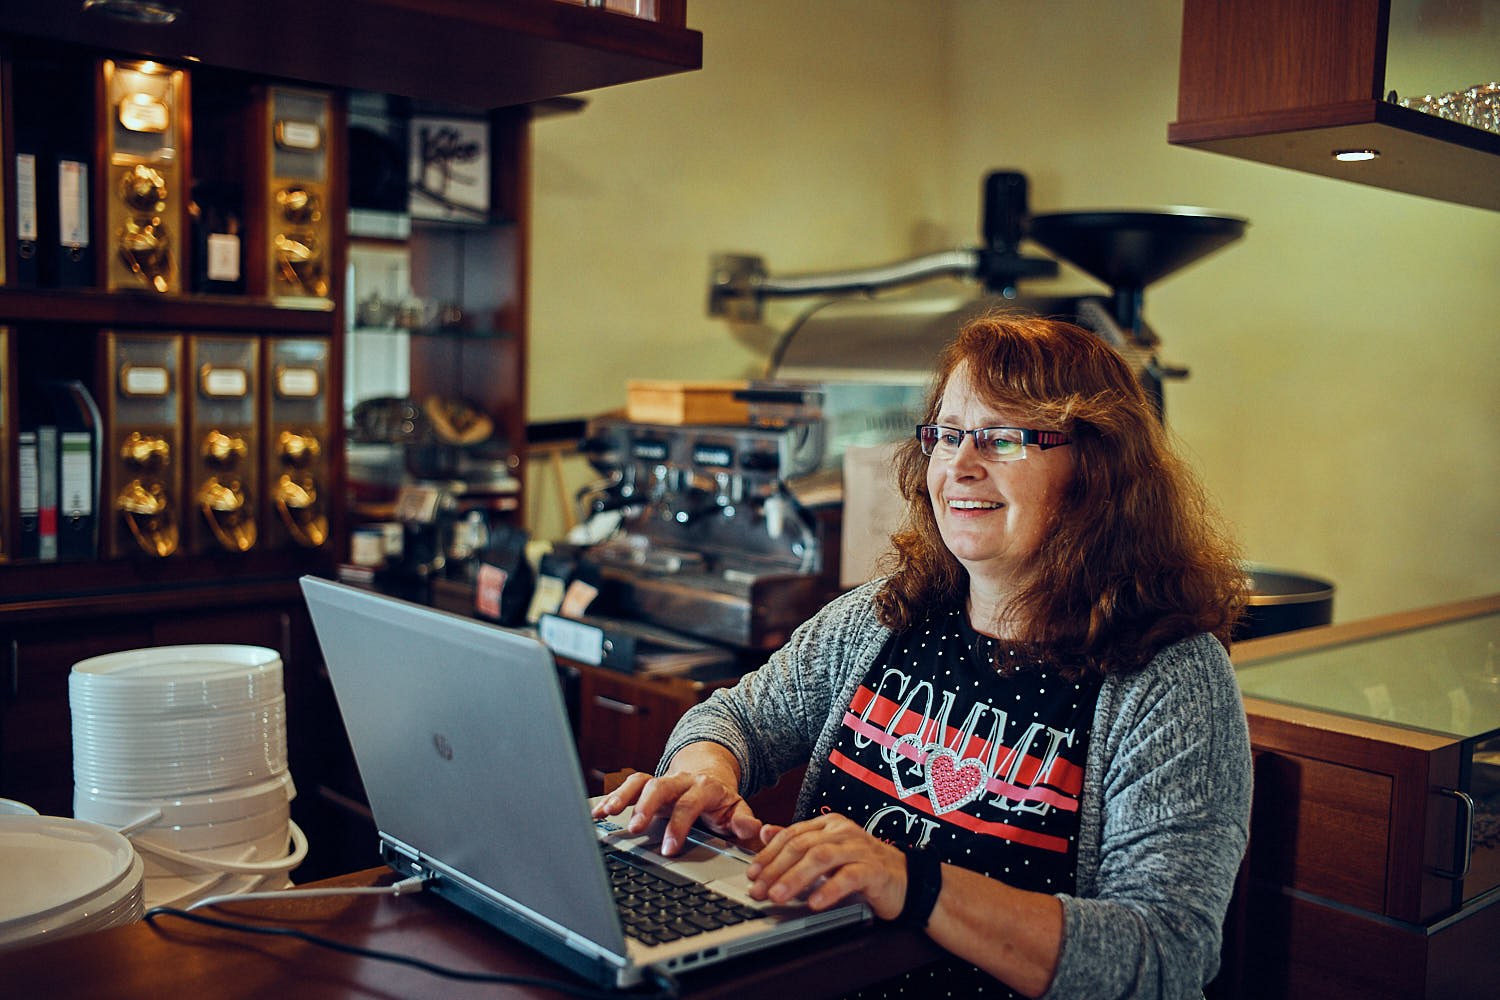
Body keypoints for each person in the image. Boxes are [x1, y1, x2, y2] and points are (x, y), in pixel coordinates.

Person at [594, 314, 1253, 999]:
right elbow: (735, 718)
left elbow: (1166, 952)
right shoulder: (885, 615)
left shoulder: (1170, 681)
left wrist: (910, 883)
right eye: (948, 434)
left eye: (1003, 438)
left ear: (1097, 471)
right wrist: (703, 776)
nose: (962, 465)